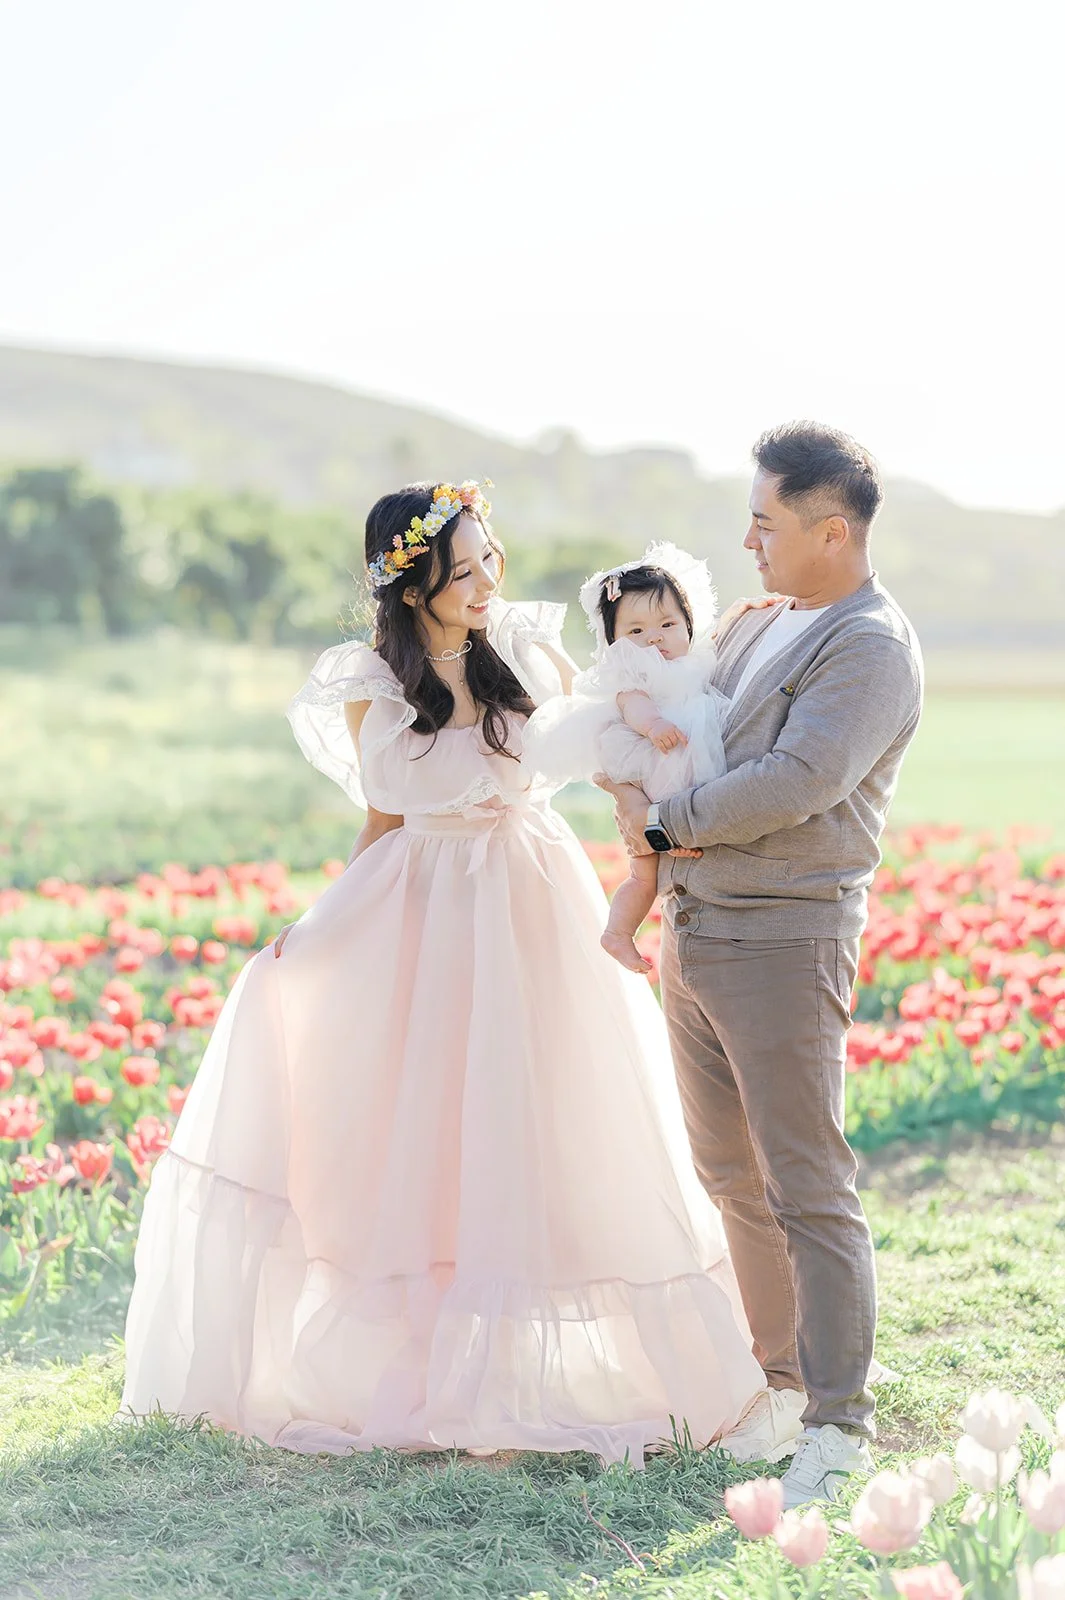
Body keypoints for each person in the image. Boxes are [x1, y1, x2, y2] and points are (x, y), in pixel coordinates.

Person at [120, 479, 766, 1466]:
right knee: (431, 1129)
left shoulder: (528, 647)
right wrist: (321, 927)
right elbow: (382, 820)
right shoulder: (374, 682)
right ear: (408, 582)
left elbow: (610, 745)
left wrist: (654, 816)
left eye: (488, 559)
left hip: (529, 892)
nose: (484, 582)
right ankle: (436, 1373)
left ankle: (540, 1375)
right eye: (460, 571)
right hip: (423, 908)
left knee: (539, 1116)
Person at [600, 424, 924, 1506]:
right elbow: (685, 711)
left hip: (784, 939)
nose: (745, 539)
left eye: (766, 521)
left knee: (807, 1182)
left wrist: (661, 827)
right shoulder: (761, 625)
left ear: (832, 530)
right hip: (699, 933)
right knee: (732, 1175)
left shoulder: (870, 646)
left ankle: (840, 1419)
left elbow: (796, 779)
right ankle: (779, 1387)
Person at [524, 543, 769, 975]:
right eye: (635, 631)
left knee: (658, 865)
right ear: (615, 642)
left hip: (682, 769)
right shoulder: (632, 673)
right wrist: (653, 725)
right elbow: (631, 704)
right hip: (650, 758)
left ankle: (679, 839)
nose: (654, 637)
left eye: (668, 624)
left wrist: (740, 611)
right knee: (643, 874)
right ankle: (618, 932)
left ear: (688, 625)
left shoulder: (695, 659)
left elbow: (715, 635)